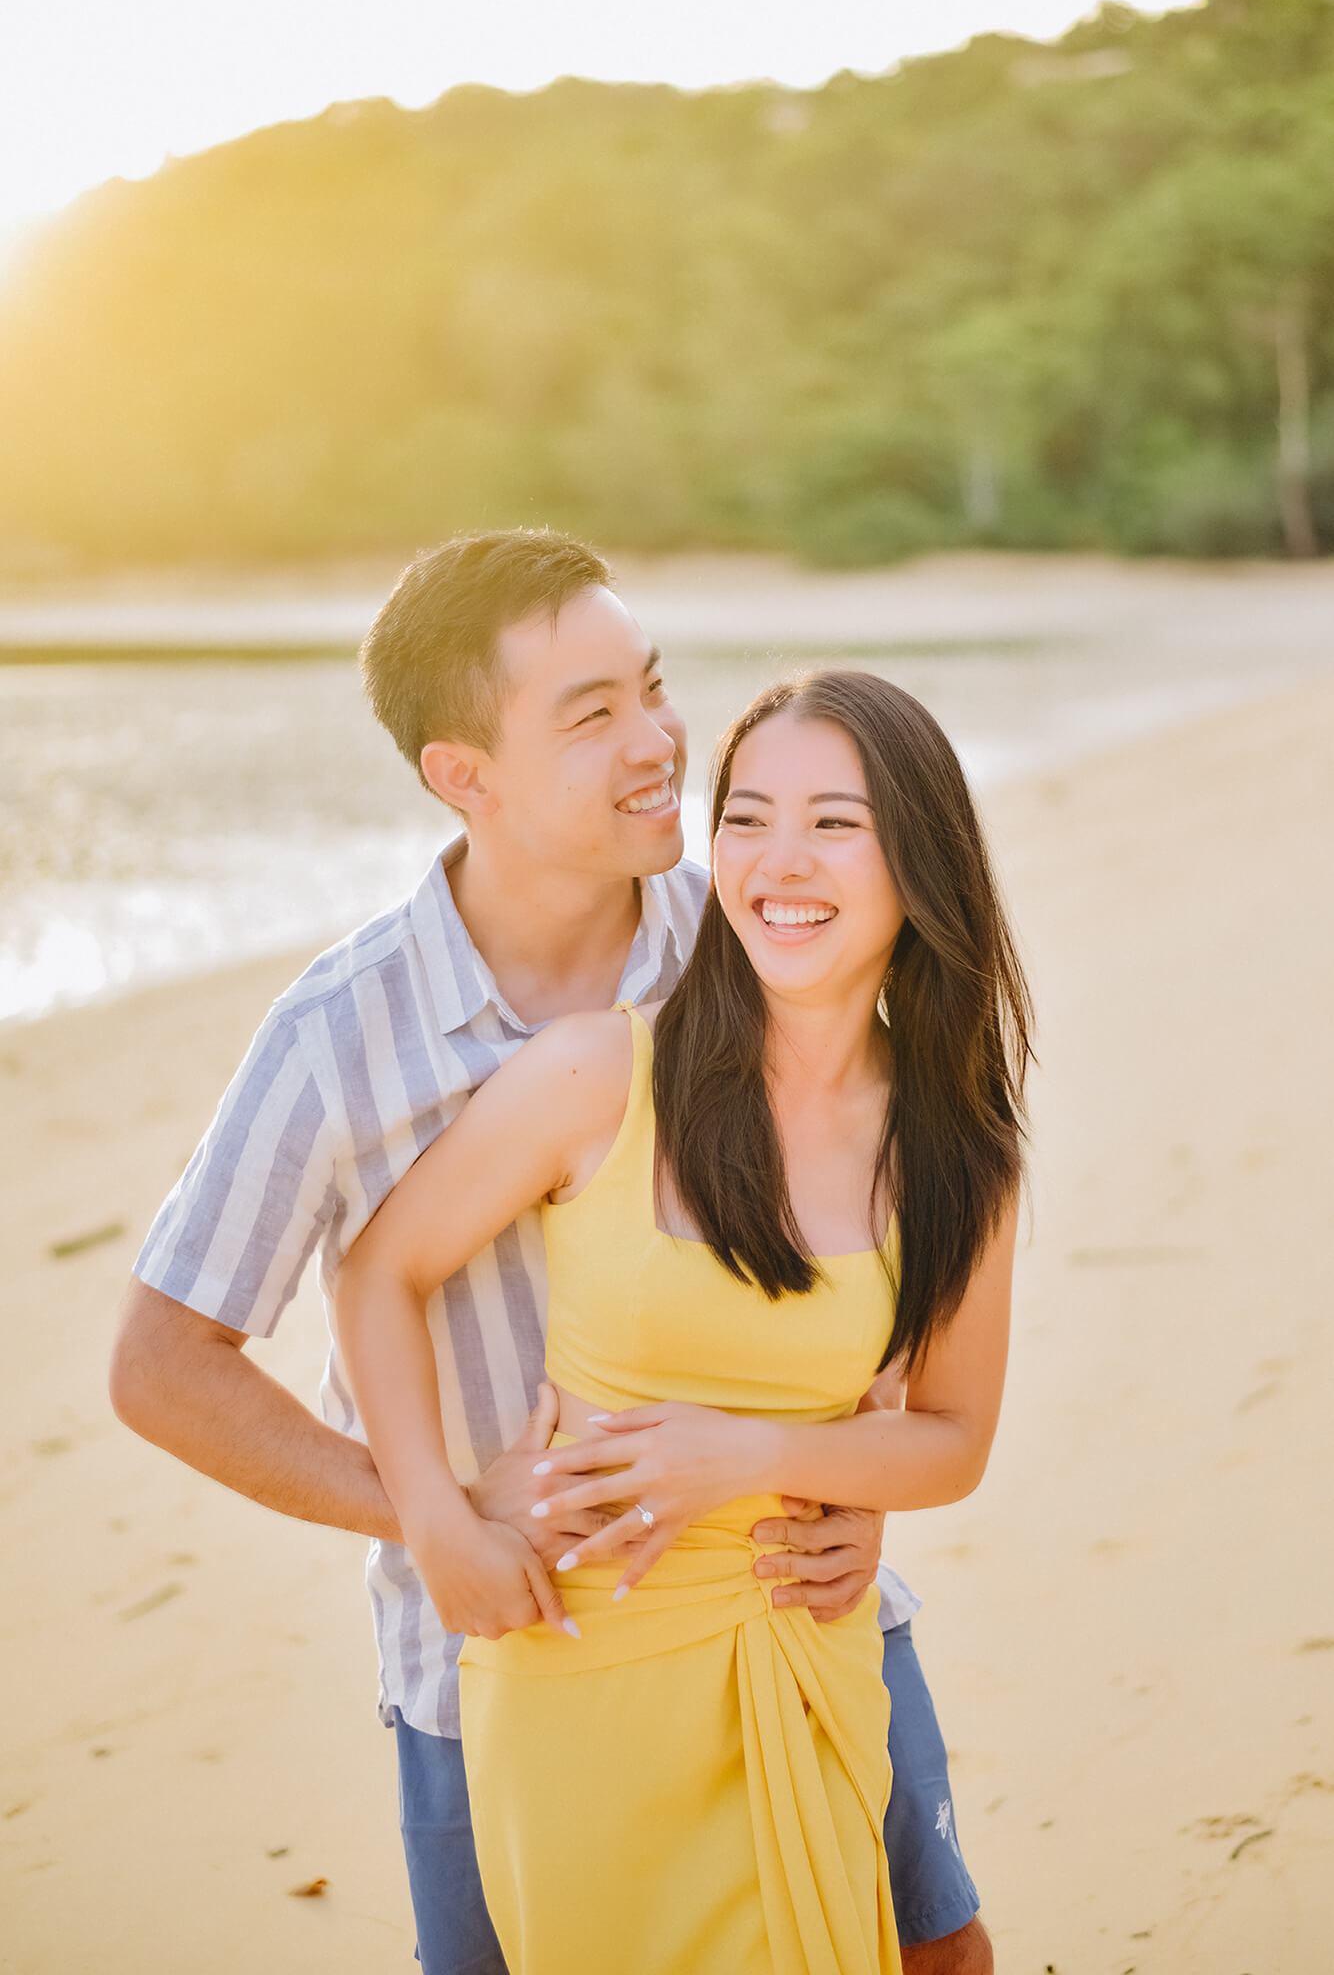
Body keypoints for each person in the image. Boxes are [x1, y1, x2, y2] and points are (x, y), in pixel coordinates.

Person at [109, 529, 998, 1973]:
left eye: (651, 688)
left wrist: (860, 1462)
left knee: (932, 1953)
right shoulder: (342, 1037)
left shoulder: (747, 930)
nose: (656, 742)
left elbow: (890, 1198)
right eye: (590, 716)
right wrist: (438, 1518)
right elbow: (161, 1367)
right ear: (463, 775)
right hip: (500, 1658)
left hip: (790, 1597)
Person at [335, 666, 1029, 1973]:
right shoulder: (600, 1074)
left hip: (799, 1644)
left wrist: (760, 1456)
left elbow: (949, 1436)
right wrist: (433, 1518)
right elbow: (376, 1274)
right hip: (579, 1659)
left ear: (917, 859)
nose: (778, 861)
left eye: (834, 821)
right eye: (748, 815)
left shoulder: (957, 1155)